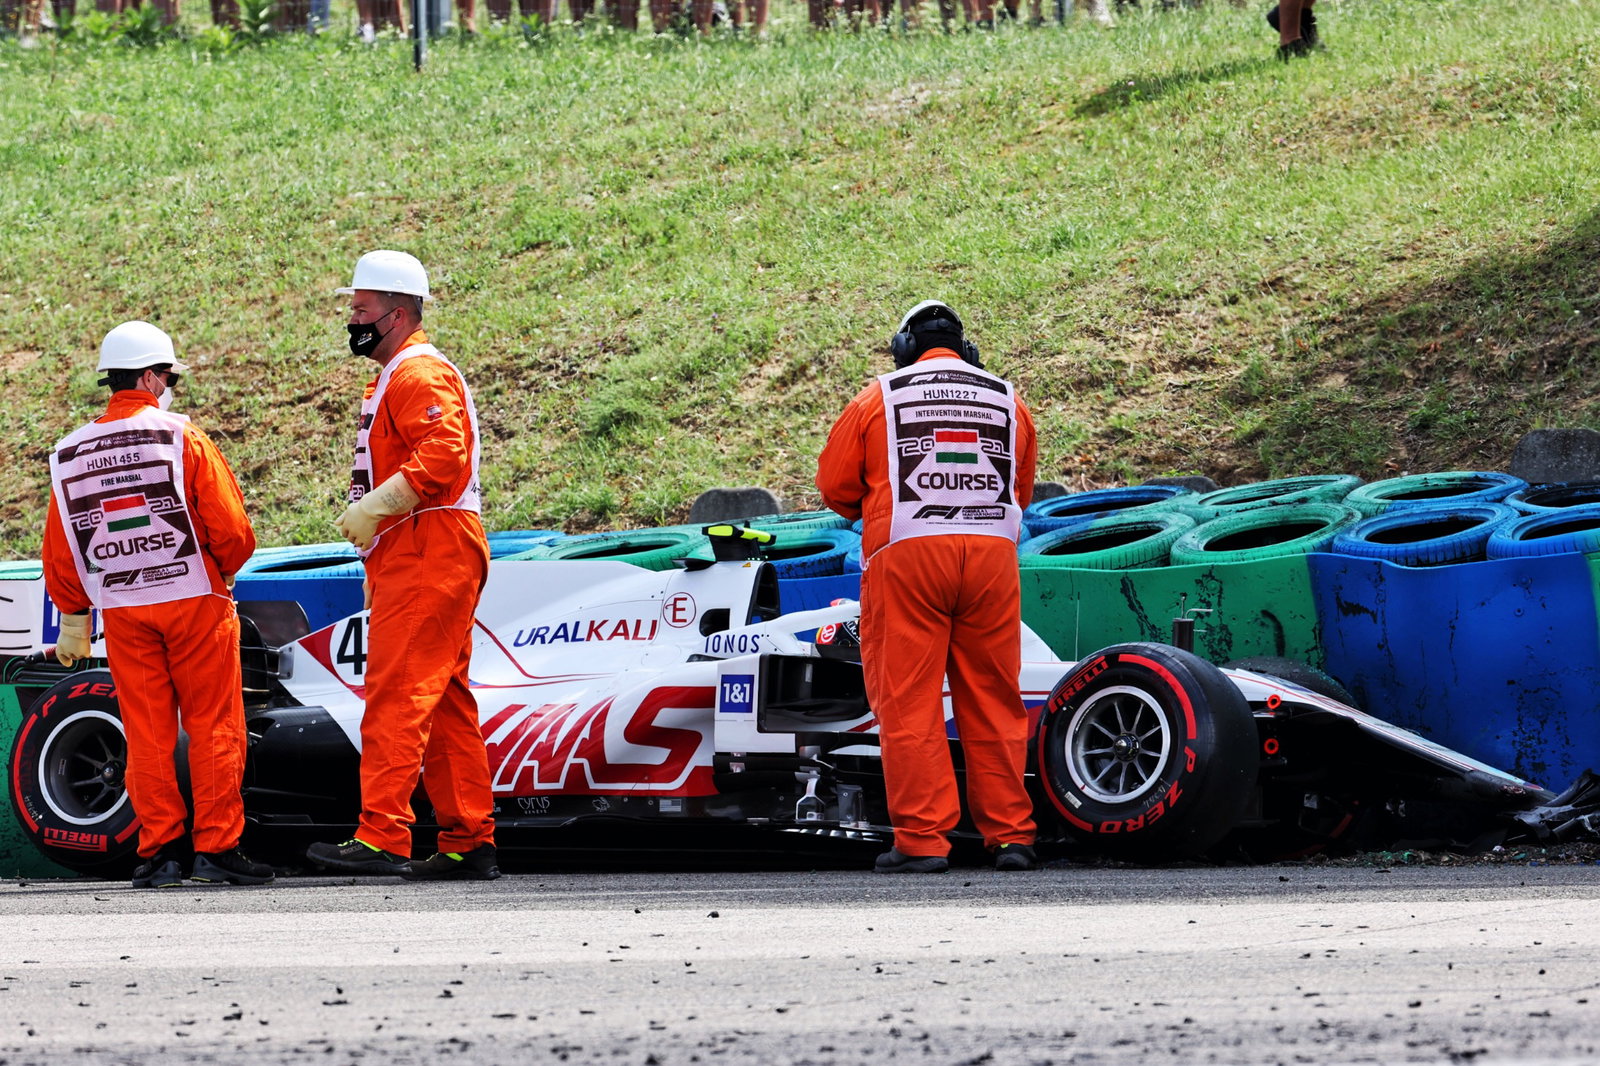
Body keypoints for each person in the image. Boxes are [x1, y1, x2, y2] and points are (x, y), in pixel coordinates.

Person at [44, 321, 270, 888]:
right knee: (214, 725)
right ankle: (216, 850)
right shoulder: (182, 437)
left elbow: (62, 547)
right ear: (150, 377)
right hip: (194, 598)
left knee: (147, 734)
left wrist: (74, 614)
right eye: (169, 377)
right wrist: (221, 568)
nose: (170, 387)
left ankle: (162, 851)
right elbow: (232, 531)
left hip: (124, 609)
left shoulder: (70, 452)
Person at [816, 301, 1039, 874]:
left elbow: (835, 488)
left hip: (908, 557)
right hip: (991, 560)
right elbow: (1021, 492)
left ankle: (922, 840)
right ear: (967, 349)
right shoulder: (1008, 398)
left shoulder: (877, 397)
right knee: (994, 699)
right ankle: (1011, 836)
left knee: (909, 701)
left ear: (904, 348)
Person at [305, 250, 499, 882]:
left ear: (397, 313)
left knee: (397, 692)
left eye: (361, 308)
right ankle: (468, 839)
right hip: (425, 543)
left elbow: (444, 454)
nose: (353, 319)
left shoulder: (415, 373)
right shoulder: (400, 374)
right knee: (443, 700)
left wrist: (377, 506)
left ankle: (382, 835)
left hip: (427, 543)